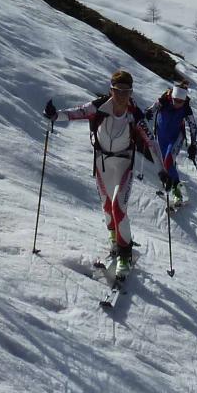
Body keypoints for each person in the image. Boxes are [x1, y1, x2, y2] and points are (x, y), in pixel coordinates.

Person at [44, 69, 159, 270]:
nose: (122, 96)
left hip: (123, 165)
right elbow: (76, 113)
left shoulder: (135, 115)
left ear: (131, 92)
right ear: (111, 90)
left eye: (127, 91)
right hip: (102, 163)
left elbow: (151, 142)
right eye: (118, 90)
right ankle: (114, 239)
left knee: (118, 207)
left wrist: (164, 172)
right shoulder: (98, 107)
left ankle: (125, 253)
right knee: (107, 206)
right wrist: (55, 116)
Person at [147, 81, 197, 207]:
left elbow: (193, 126)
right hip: (161, 136)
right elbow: (152, 109)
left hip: (175, 137)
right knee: (166, 163)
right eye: (175, 100)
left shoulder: (186, 108)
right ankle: (172, 184)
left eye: (180, 102)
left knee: (168, 161)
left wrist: (193, 144)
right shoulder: (164, 100)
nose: (177, 104)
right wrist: (148, 113)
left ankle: (176, 192)